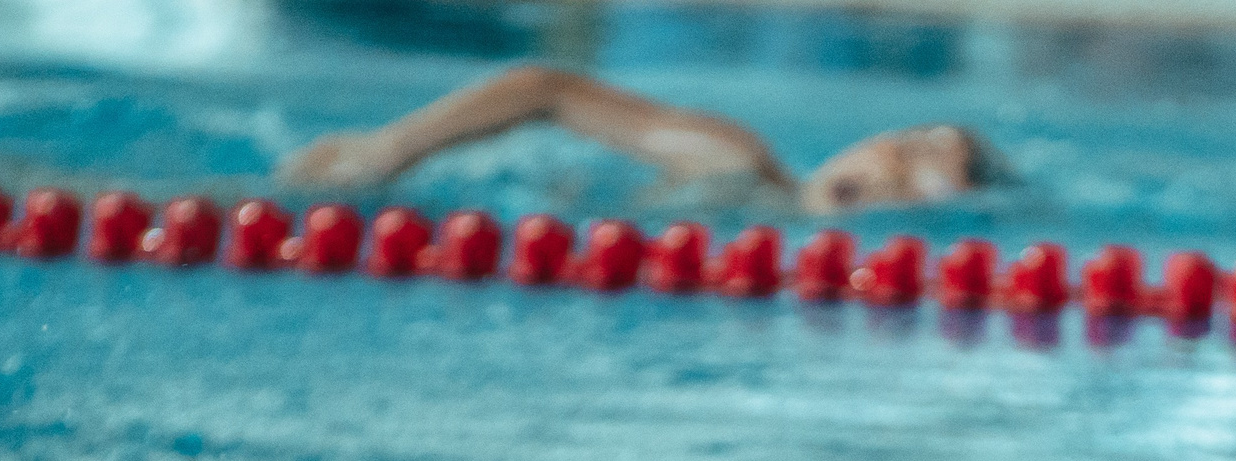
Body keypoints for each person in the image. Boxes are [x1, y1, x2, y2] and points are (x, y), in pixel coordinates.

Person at [280, 64, 1002, 214]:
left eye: (918, 178)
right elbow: (548, 90)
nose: (888, 171)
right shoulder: (736, 161)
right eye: (900, 148)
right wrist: (392, 148)